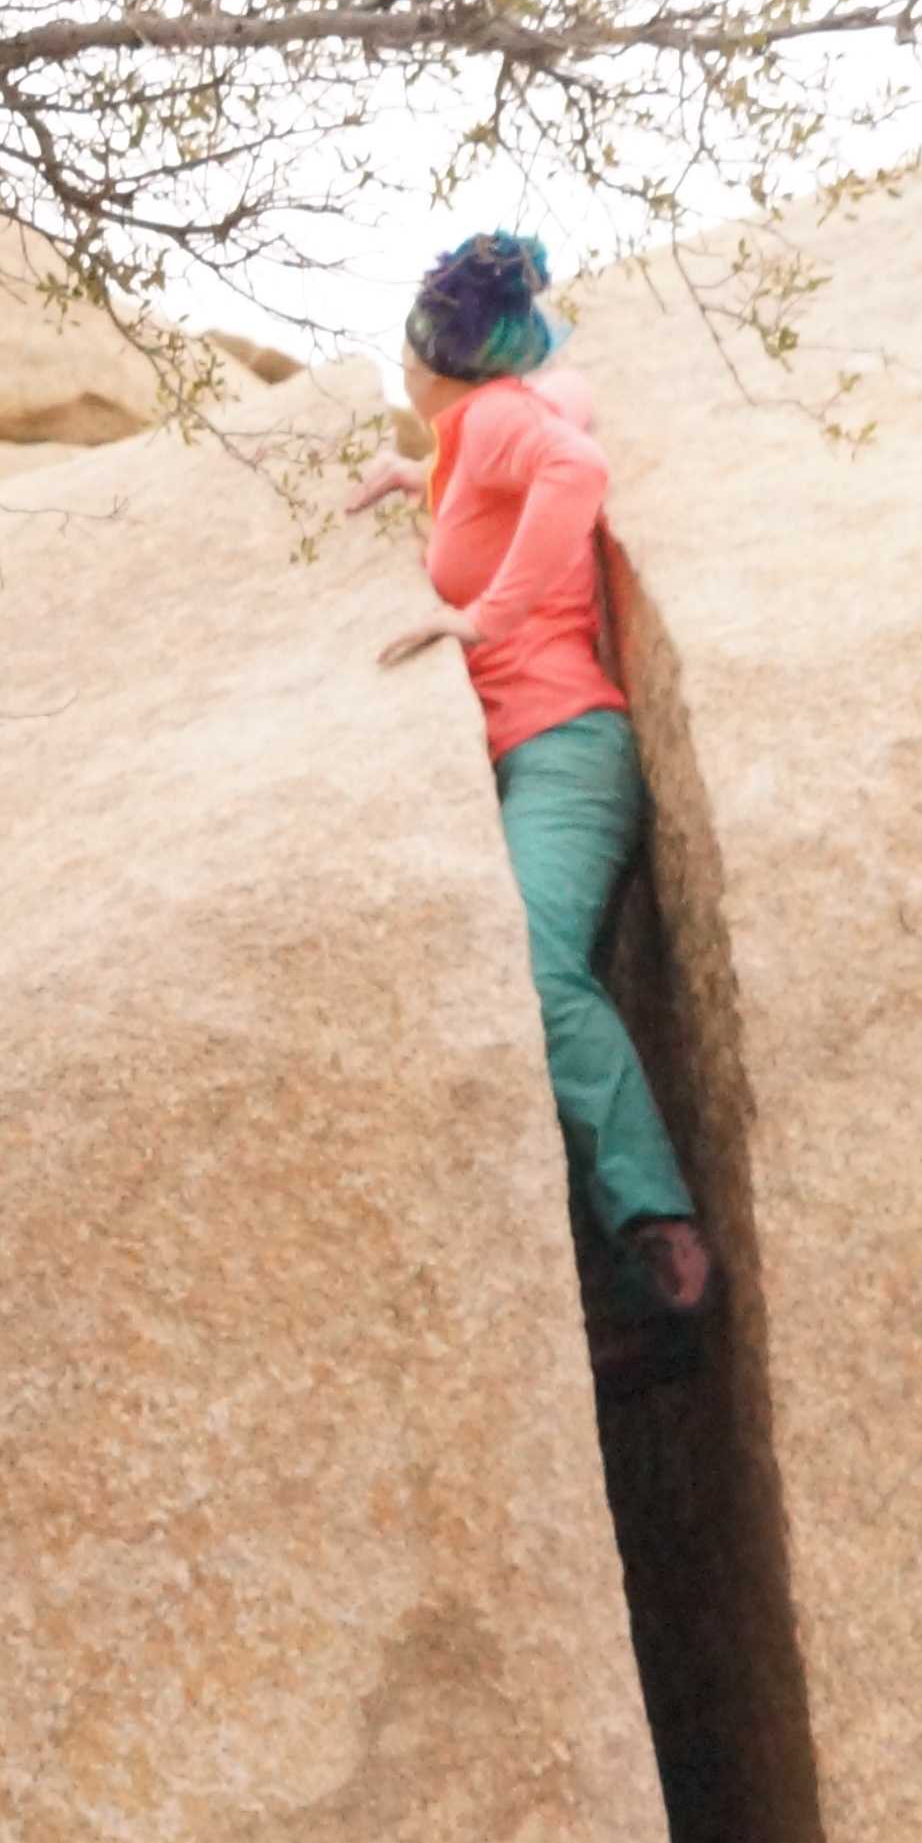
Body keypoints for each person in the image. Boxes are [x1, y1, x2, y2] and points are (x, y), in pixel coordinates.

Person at [346, 230, 718, 1385]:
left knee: (536, 965)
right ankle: (618, 1294)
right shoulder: (469, 435)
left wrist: (488, 615)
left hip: (565, 743)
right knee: (503, 983)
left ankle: (660, 1238)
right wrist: (422, 482)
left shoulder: (500, 420)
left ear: (430, 364)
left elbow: (574, 470)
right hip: (529, 754)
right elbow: (552, 420)